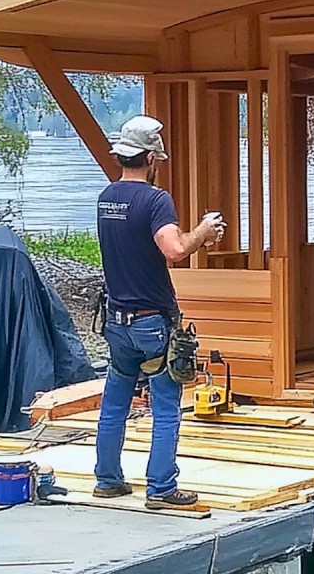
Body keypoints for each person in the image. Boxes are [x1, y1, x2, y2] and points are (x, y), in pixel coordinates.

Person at [93, 115, 224, 510]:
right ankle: (162, 489)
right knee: (166, 404)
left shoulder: (106, 197)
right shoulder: (155, 200)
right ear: (150, 158)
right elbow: (174, 250)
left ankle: (108, 480)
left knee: (114, 403)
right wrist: (203, 231)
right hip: (152, 321)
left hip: (116, 321)